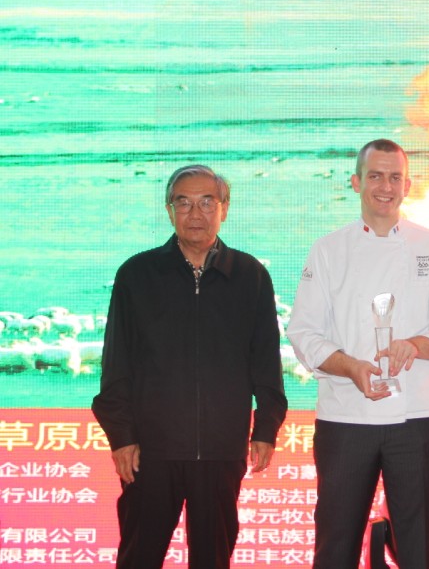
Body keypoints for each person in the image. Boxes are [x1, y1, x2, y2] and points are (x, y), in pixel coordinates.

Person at [286, 138, 429, 569]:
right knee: (335, 546)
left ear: (407, 185)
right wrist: (350, 366)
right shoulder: (328, 249)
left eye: (394, 177)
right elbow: (303, 331)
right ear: (356, 182)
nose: (385, 187)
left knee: (421, 548)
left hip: (418, 417)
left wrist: (416, 345)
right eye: (375, 176)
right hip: (344, 417)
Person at [91, 165, 288, 569]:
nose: (195, 214)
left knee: (212, 559)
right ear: (169, 210)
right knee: (138, 558)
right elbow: (116, 365)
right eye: (183, 203)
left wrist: (266, 427)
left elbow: (266, 361)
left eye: (206, 203)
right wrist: (121, 436)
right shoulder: (137, 274)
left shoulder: (250, 275)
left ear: (224, 208)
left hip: (221, 450)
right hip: (149, 452)